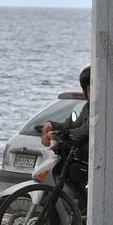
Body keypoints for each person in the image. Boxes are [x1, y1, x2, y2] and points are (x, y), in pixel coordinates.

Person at [40, 65, 90, 203]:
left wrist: (56, 135)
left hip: (91, 158)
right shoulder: (88, 107)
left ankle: (83, 206)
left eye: (93, 88)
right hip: (81, 156)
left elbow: (84, 131)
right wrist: (51, 125)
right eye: (88, 89)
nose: (91, 92)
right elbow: (73, 125)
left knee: (73, 171)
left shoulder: (99, 110)